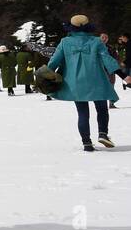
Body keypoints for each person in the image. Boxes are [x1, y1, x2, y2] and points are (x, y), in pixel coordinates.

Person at [46, 15, 131, 151]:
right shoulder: (96, 41)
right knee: (102, 108)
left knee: (82, 113)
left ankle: (87, 143)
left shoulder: (65, 42)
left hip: (75, 83)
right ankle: (103, 133)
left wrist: (45, 76)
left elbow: (54, 62)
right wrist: (124, 76)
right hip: (97, 80)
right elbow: (107, 60)